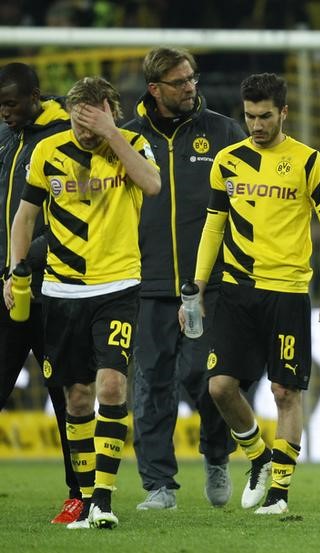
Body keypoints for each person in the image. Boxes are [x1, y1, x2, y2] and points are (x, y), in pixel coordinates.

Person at [4, 76, 161, 529]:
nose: (85, 131)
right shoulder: (47, 152)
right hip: (60, 291)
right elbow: (25, 216)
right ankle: (87, 495)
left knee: (111, 386)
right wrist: (16, 269)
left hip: (117, 287)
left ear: (111, 111)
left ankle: (105, 502)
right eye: (80, 121)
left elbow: (151, 185)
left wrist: (112, 133)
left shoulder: (130, 144)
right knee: (76, 398)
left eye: (95, 121)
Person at [187, 72, 320, 515]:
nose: (256, 125)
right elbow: (214, 224)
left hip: (288, 291)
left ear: (284, 113)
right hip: (237, 290)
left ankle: (279, 493)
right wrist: (197, 286)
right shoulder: (227, 161)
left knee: (284, 392)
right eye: (250, 116)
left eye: (265, 116)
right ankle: (258, 457)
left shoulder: (308, 161)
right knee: (219, 387)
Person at [123, 47, 242, 511]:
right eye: (180, 82)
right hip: (146, 284)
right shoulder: (129, 140)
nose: (191, 87)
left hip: (208, 286)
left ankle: (216, 456)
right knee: (150, 384)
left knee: (207, 376)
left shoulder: (222, 132)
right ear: (155, 90)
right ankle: (159, 486)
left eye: (192, 78)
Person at [0, 62, 82, 524]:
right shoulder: (7, 137)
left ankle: (81, 493)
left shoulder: (62, 136)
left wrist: (26, 261)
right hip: (7, 285)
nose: (4, 113)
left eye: (11, 103)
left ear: (35, 96)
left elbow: (70, 217)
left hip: (54, 288)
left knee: (67, 393)